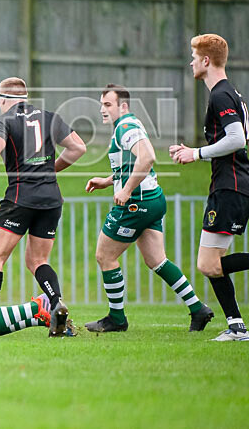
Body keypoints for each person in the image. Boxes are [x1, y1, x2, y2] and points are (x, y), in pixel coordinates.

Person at [0, 77, 87, 337]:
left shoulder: (3, 122)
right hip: (51, 199)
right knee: (38, 260)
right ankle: (56, 304)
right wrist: (49, 171)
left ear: (2, 99)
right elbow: (78, 148)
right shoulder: (49, 117)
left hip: (20, 198)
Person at [85, 84, 212, 333]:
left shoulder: (125, 127)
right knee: (157, 260)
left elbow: (147, 158)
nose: (102, 109)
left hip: (137, 203)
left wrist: (126, 190)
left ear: (123, 106)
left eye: (107, 104)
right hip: (153, 199)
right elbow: (133, 164)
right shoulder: (130, 124)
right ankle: (198, 309)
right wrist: (108, 181)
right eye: (101, 104)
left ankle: (117, 319)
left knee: (105, 256)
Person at [170, 34, 249, 341]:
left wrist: (196, 153)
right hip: (231, 184)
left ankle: (236, 327)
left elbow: (237, 139)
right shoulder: (230, 94)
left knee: (208, 263)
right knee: (210, 264)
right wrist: (193, 151)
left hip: (230, 187)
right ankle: (237, 326)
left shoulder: (221, 94)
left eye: (194, 57)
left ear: (206, 60)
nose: (190, 62)